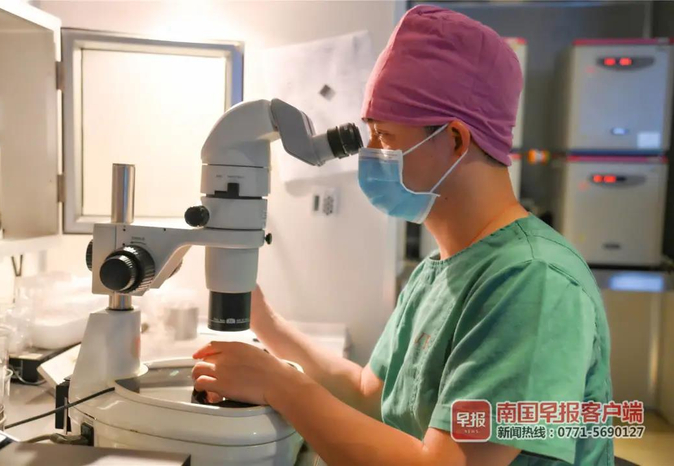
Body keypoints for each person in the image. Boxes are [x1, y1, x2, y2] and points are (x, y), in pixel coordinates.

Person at [192, 5, 614, 465]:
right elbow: (369, 394)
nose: (370, 153)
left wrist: (281, 386)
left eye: (386, 137)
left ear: (455, 140)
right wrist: (266, 324)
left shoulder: (533, 282)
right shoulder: (440, 268)